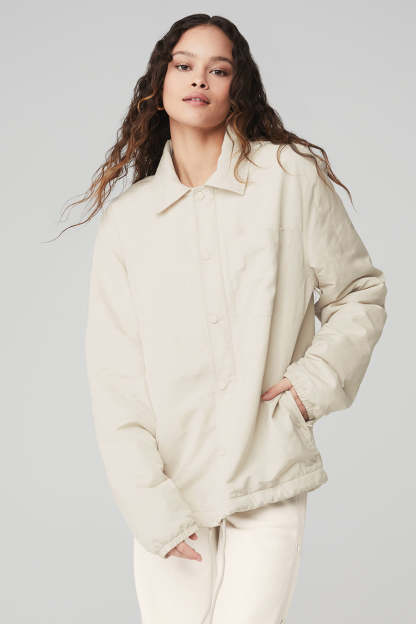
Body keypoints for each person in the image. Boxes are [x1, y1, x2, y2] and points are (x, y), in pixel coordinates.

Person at [67, 13, 387, 624]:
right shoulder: (130, 222)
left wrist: (308, 389)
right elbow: (116, 380)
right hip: (171, 485)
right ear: (160, 82)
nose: (200, 80)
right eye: (184, 66)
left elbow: (359, 291)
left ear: (238, 86)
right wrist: (149, 504)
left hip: (266, 465)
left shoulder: (287, 177)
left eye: (219, 69)